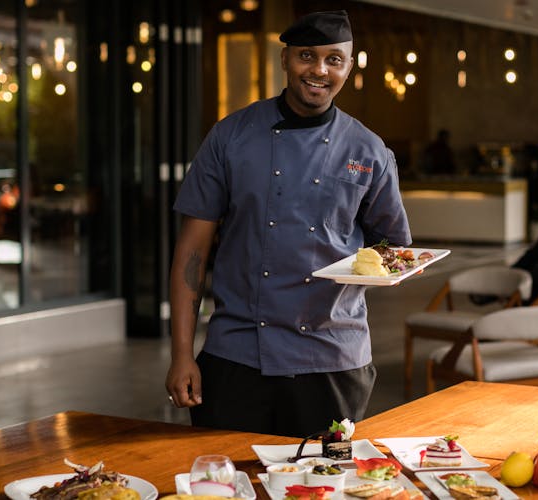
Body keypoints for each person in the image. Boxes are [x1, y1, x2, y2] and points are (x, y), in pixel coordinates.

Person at [165, 10, 411, 437]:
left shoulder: (369, 150)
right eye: (307, 56)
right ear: (285, 60)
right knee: (227, 483)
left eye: (334, 60)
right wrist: (182, 354)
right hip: (237, 354)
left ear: (348, 68)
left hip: (333, 357)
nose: (319, 70)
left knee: (321, 485)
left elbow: (395, 250)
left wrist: (377, 268)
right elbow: (192, 254)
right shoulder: (230, 138)